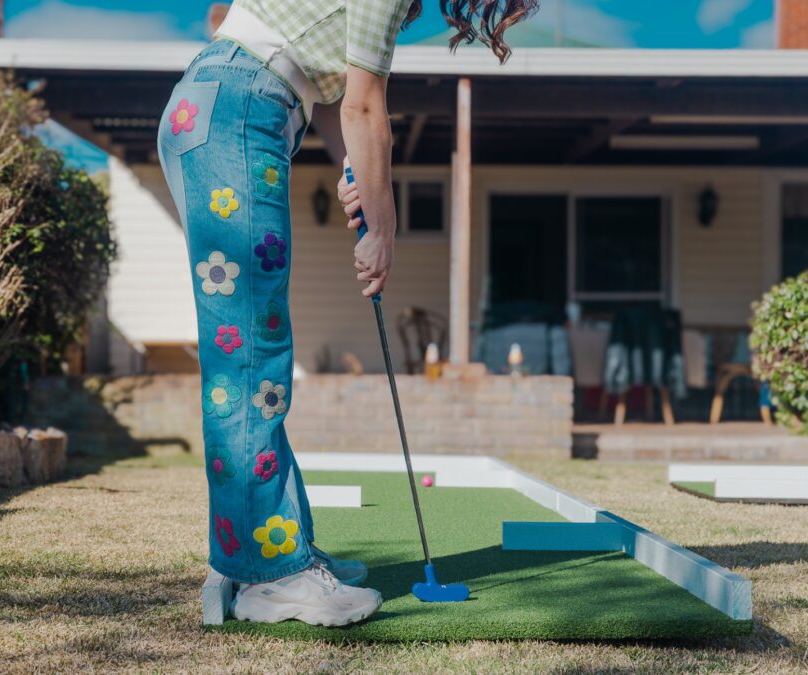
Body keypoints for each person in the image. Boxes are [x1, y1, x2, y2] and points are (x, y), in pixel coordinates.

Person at [157, 0, 537, 627]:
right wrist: (383, 226)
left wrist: (355, 171)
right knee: (251, 351)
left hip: (226, 104)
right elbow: (364, 106)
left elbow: (340, 105)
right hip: (239, 107)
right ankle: (272, 577)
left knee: (252, 348)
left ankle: (272, 549)